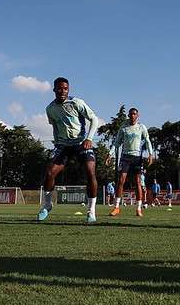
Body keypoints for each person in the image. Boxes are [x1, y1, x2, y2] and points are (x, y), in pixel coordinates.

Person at [37, 77, 100, 223]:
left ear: (68, 89)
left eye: (65, 88)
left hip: (80, 143)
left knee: (90, 171)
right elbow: (55, 126)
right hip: (63, 146)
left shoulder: (77, 103)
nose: (62, 91)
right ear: (54, 89)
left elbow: (94, 119)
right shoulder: (50, 109)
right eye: (59, 88)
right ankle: (47, 205)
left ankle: (91, 211)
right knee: (49, 173)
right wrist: (57, 143)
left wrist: (89, 138)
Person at [106, 107, 153, 217]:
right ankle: (116, 207)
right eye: (131, 114)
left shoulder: (141, 127)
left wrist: (150, 154)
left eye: (134, 114)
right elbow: (117, 142)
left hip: (137, 158)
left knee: (137, 183)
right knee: (121, 180)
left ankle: (138, 209)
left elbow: (147, 140)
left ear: (138, 115)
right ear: (128, 115)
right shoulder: (124, 127)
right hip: (126, 157)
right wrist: (109, 154)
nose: (132, 116)